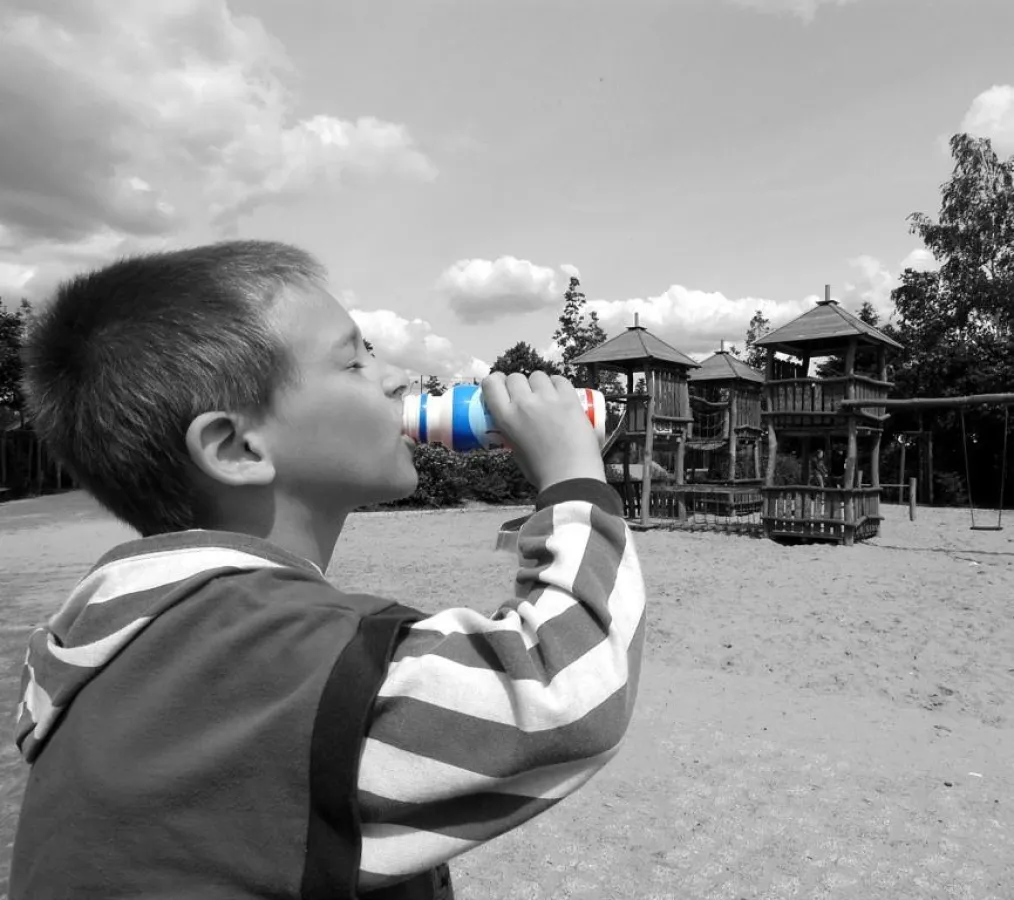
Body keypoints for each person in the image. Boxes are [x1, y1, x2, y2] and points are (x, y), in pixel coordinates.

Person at [9, 241, 646, 899]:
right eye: (354, 361)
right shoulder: (274, 660)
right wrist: (573, 479)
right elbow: (565, 699)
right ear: (236, 447)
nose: (398, 378)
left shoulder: (126, 639)